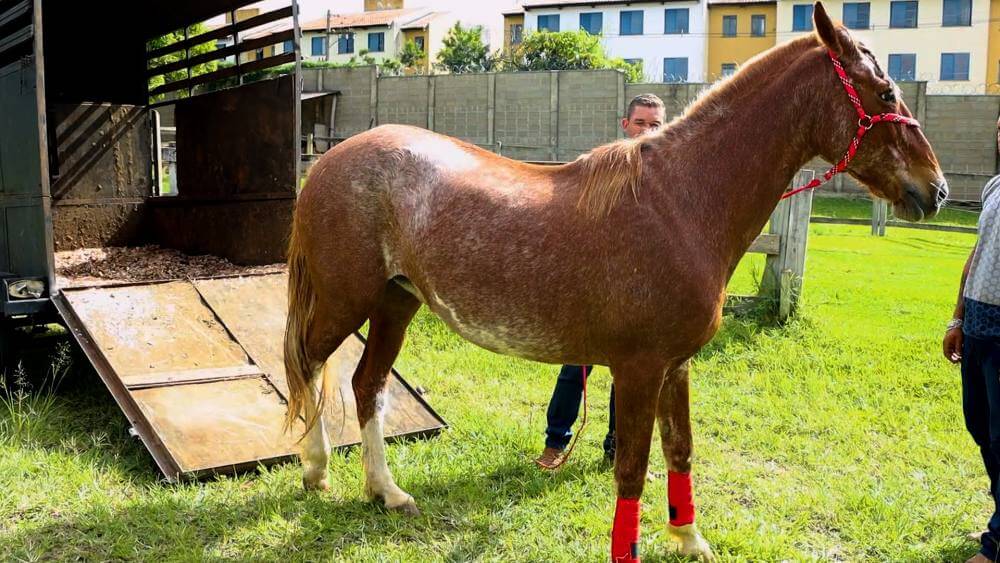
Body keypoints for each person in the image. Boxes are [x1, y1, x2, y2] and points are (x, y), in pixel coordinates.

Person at [535, 94, 666, 470]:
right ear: (625, 124)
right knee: (574, 368)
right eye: (641, 122)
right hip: (594, 289)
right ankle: (554, 442)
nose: (647, 131)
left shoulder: (666, 180)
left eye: (656, 125)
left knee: (628, 372)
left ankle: (616, 448)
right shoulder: (595, 169)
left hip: (639, 293)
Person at [944, 117, 1000, 563]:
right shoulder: (994, 187)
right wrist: (956, 318)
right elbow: (976, 252)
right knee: (981, 429)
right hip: (978, 326)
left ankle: (997, 542)